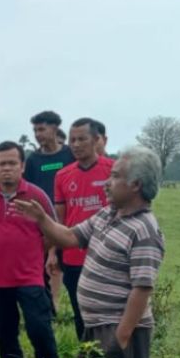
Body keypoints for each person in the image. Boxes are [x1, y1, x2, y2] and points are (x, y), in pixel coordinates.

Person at [14, 146, 165, 358]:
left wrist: (121, 337)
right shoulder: (109, 214)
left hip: (120, 328)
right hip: (95, 325)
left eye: (115, 177)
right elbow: (71, 237)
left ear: (135, 185)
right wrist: (41, 219)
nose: (107, 183)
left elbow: (142, 289)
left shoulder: (144, 231)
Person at [0, 142, 69, 358]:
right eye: (2, 164)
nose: (7, 169)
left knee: (39, 326)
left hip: (30, 276)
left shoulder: (36, 196)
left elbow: (50, 232)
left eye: (12, 163)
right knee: (4, 328)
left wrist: (34, 255)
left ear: (22, 166)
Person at [51, 118, 114, 342]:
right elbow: (60, 219)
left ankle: (110, 357)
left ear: (97, 140)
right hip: (74, 256)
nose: (76, 145)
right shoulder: (62, 175)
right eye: (72, 140)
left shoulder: (114, 170)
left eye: (82, 139)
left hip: (107, 255)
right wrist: (53, 252)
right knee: (81, 312)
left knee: (108, 312)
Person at [23, 111, 75, 305]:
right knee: (44, 265)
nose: (38, 134)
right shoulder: (33, 161)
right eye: (35, 130)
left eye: (42, 129)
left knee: (68, 265)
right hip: (41, 222)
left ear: (54, 128)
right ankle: (51, 305)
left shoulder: (70, 154)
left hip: (69, 219)